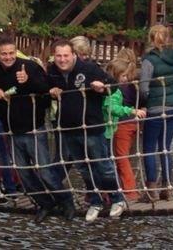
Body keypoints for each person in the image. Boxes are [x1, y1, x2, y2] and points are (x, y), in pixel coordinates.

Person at [0, 33, 75, 221]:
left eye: (11, 53)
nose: (8, 57)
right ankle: (44, 203)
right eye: (4, 54)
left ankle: (66, 201)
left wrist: (28, 81)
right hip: (13, 130)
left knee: (44, 171)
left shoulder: (30, 67)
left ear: (16, 52)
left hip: (34, 128)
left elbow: (45, 89)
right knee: (24, 175)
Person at [46, 38, 127, 222]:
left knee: (103, 166)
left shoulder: (89, 69)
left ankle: (117, 199)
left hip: (91, 126)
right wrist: (50, 89)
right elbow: (43, 86)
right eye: (58, 56)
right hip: (68, 128)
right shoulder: (52, 71)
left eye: (66, 55)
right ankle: (96, 201)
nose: (62, 59)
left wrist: (101, 88)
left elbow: (113, 86)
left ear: (73, 55)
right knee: (83, 168)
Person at [139, 24, 173, 202]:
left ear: (150, 38)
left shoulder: (149, 60)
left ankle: (152, 190)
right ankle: (168, 188)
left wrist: (143, 103)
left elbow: (144, 87)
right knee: (165, 148)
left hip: (157, 107)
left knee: (149, 148)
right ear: (167, 38)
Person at [102, 59, 146, 202]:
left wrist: (132, 111)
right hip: (126, 123)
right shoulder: (126, 87)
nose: (126, 78)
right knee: (115, 158)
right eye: (123, 75)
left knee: (118, 158)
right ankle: (107, 192)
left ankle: (128, 191)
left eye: (127, 75)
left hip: (123, 123)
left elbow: (112, 107)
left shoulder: (118, 88)